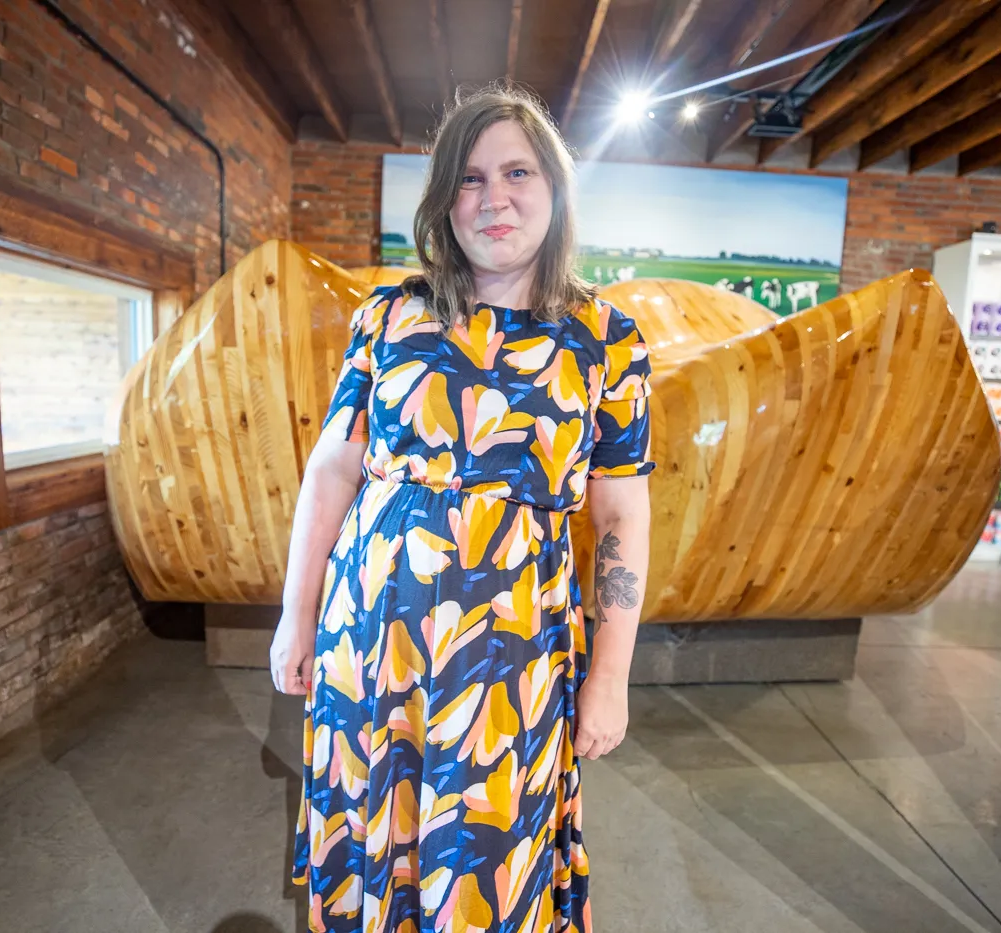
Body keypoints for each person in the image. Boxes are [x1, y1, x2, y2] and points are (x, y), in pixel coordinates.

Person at [270, 83, 653, 932]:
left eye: (517, 171)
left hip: (511, 667)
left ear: (555, 187)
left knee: (486, 865)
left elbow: (622, 515)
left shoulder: (605, 340)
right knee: (377, 842)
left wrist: (611, 680)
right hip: (370, 645)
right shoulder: (389, 317)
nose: (494, 196)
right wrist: (297, 615)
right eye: (469, 177)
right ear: (445, 200)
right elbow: (332, 471)